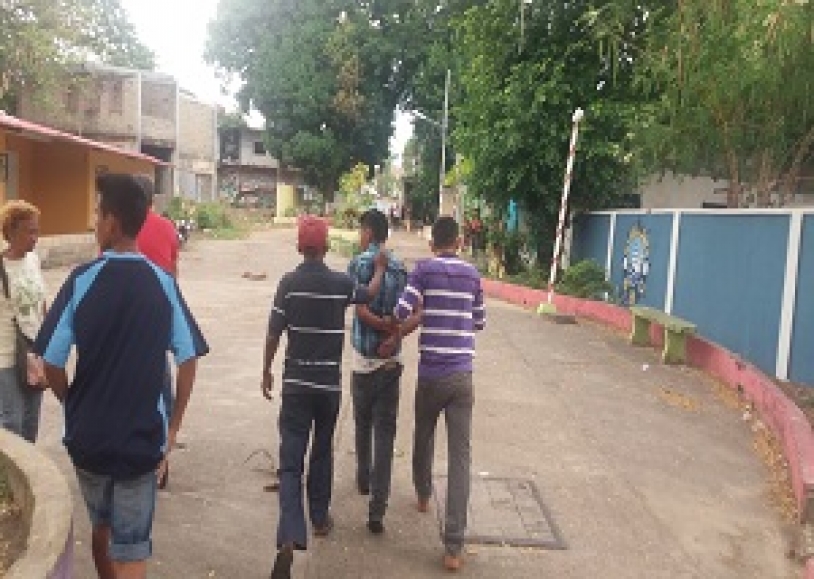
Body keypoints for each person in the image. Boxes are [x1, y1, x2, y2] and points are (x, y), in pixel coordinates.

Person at [34, 173, 209, 579]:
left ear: (111, 222)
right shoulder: (162, 284)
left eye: (98, 214)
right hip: (141, 440)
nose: (94, 222)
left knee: (102, 527)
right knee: (131, 547)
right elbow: (188, 359)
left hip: (88, 439)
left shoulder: (81, 280)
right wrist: (173, 428)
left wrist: (72, 402)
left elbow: (52, 361)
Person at [262, 215, 388, 579]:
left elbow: (273, 332)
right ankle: (319, 519)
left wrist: (266, 369)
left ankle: (289, 535)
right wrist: (379, 269)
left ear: (299, 247)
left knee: (290, 462)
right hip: (328, 389)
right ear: (327, 247)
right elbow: (370, 295)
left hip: (296, 386)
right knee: (321, 451)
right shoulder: (340, 284)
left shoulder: (288, 284)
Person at [390, 216, 486, 572]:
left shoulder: (424, 270)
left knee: (424, 436)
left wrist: (422, 310)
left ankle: (423, 494)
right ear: (459, 243)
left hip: (431, 373)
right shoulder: (473, 275)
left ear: (432, 244)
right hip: (462, 376)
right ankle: (454, 548)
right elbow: (479, 321)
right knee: (461, 458)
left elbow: (401, 311)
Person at [347, 209, 407, 535]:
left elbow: (358, 307)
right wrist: (393, 332)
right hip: (389, 363)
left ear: (368, 232)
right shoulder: (399, 268)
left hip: (363, 362)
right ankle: (377, 510)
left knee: (362, 422)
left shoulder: (358, 264)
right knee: (385, 435)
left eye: (361, 231)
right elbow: (409, 311)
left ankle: (363, 477)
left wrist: (378, 324)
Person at [135, 174, 180, 489]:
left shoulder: (120, 226)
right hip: (158, 318)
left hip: (126, 321)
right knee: (161, 390)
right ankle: (161, 457)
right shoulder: (167, 228)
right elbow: (173, 273)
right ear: (153, 199)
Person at [0, 200, 47, 443]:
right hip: (6, 355)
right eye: (30, 231)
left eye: (37, 231)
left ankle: (27, 467)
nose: (35, 238)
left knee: (30, 421)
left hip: (35, 351)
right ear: (11, 231)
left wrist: (48, 343)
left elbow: (42, 302)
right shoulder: (2, 267)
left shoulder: (33, 260)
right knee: (12, 421)